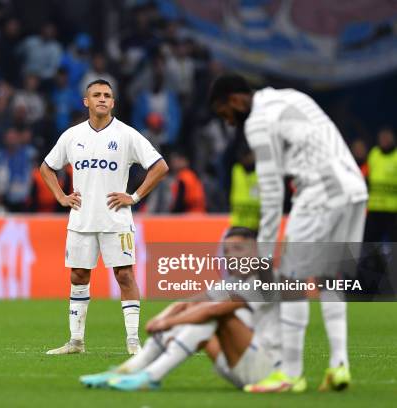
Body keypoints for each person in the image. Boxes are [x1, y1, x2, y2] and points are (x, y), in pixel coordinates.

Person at [209, 73, 368, 392]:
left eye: (225, 113)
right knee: (331, 280)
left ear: (236, 99)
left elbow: (270, 190)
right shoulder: (293, 97)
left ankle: (290, 374)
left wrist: (264, 256)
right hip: (354, 189)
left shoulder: (257, 122)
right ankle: (339, 366)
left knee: (290, 282)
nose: (228, 123)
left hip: (319, 193)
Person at [40, 79, 169, 355]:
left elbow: (160, 166)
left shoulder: (126, 135)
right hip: (81, 220)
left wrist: (133, 197)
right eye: (96, 95)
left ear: (113, 102)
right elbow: (46, 167)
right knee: (78, 275)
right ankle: (76, 341)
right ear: (86, 102)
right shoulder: (72, 136)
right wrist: (61, 196)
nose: (102, 99)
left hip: (116, 220)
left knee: (124, 275)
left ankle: (133, 342)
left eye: (107, 95)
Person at [80, 227, 279, 391]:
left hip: (269, 374)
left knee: (212, 317)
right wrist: (162, 318)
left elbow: (214, 311)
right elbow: (186, 303)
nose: (231, 256)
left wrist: (167, 322)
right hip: (238, 368)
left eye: (238, 249)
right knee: (197, 314)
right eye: (227, 251)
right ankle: (125, 371)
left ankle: (149, 376)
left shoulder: (265, 280)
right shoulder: (234, 281)